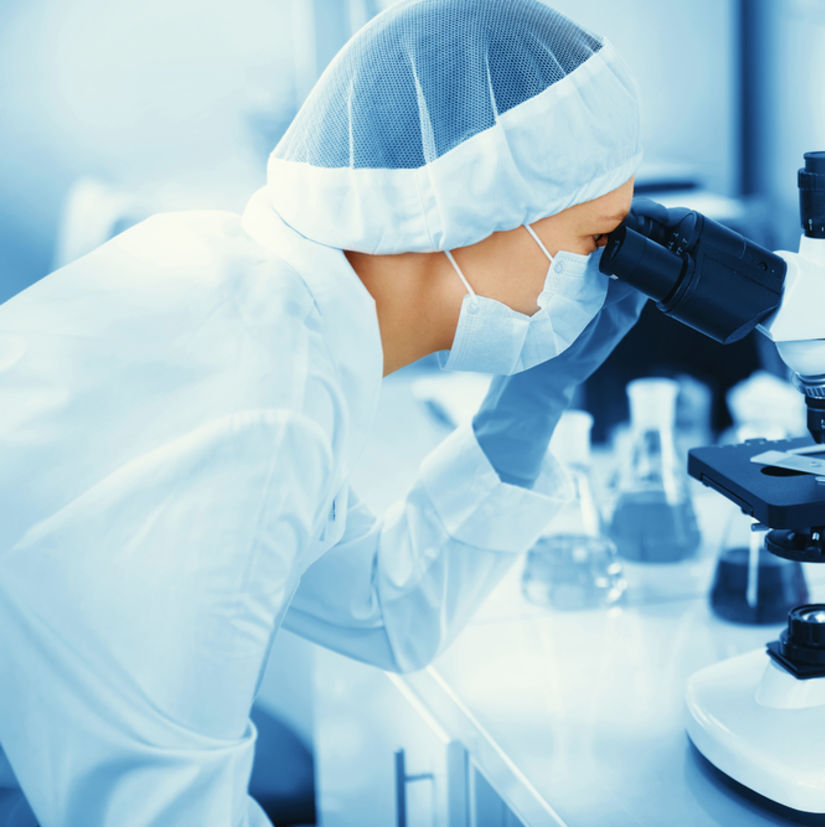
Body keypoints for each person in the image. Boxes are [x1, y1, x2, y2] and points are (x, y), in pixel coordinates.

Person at [0, 1, 644, 823]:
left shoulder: (265, 303)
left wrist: (537, 397)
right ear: (476, 203)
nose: (599, 279)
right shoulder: (263, 409)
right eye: (597, 241)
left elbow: (382, 608)